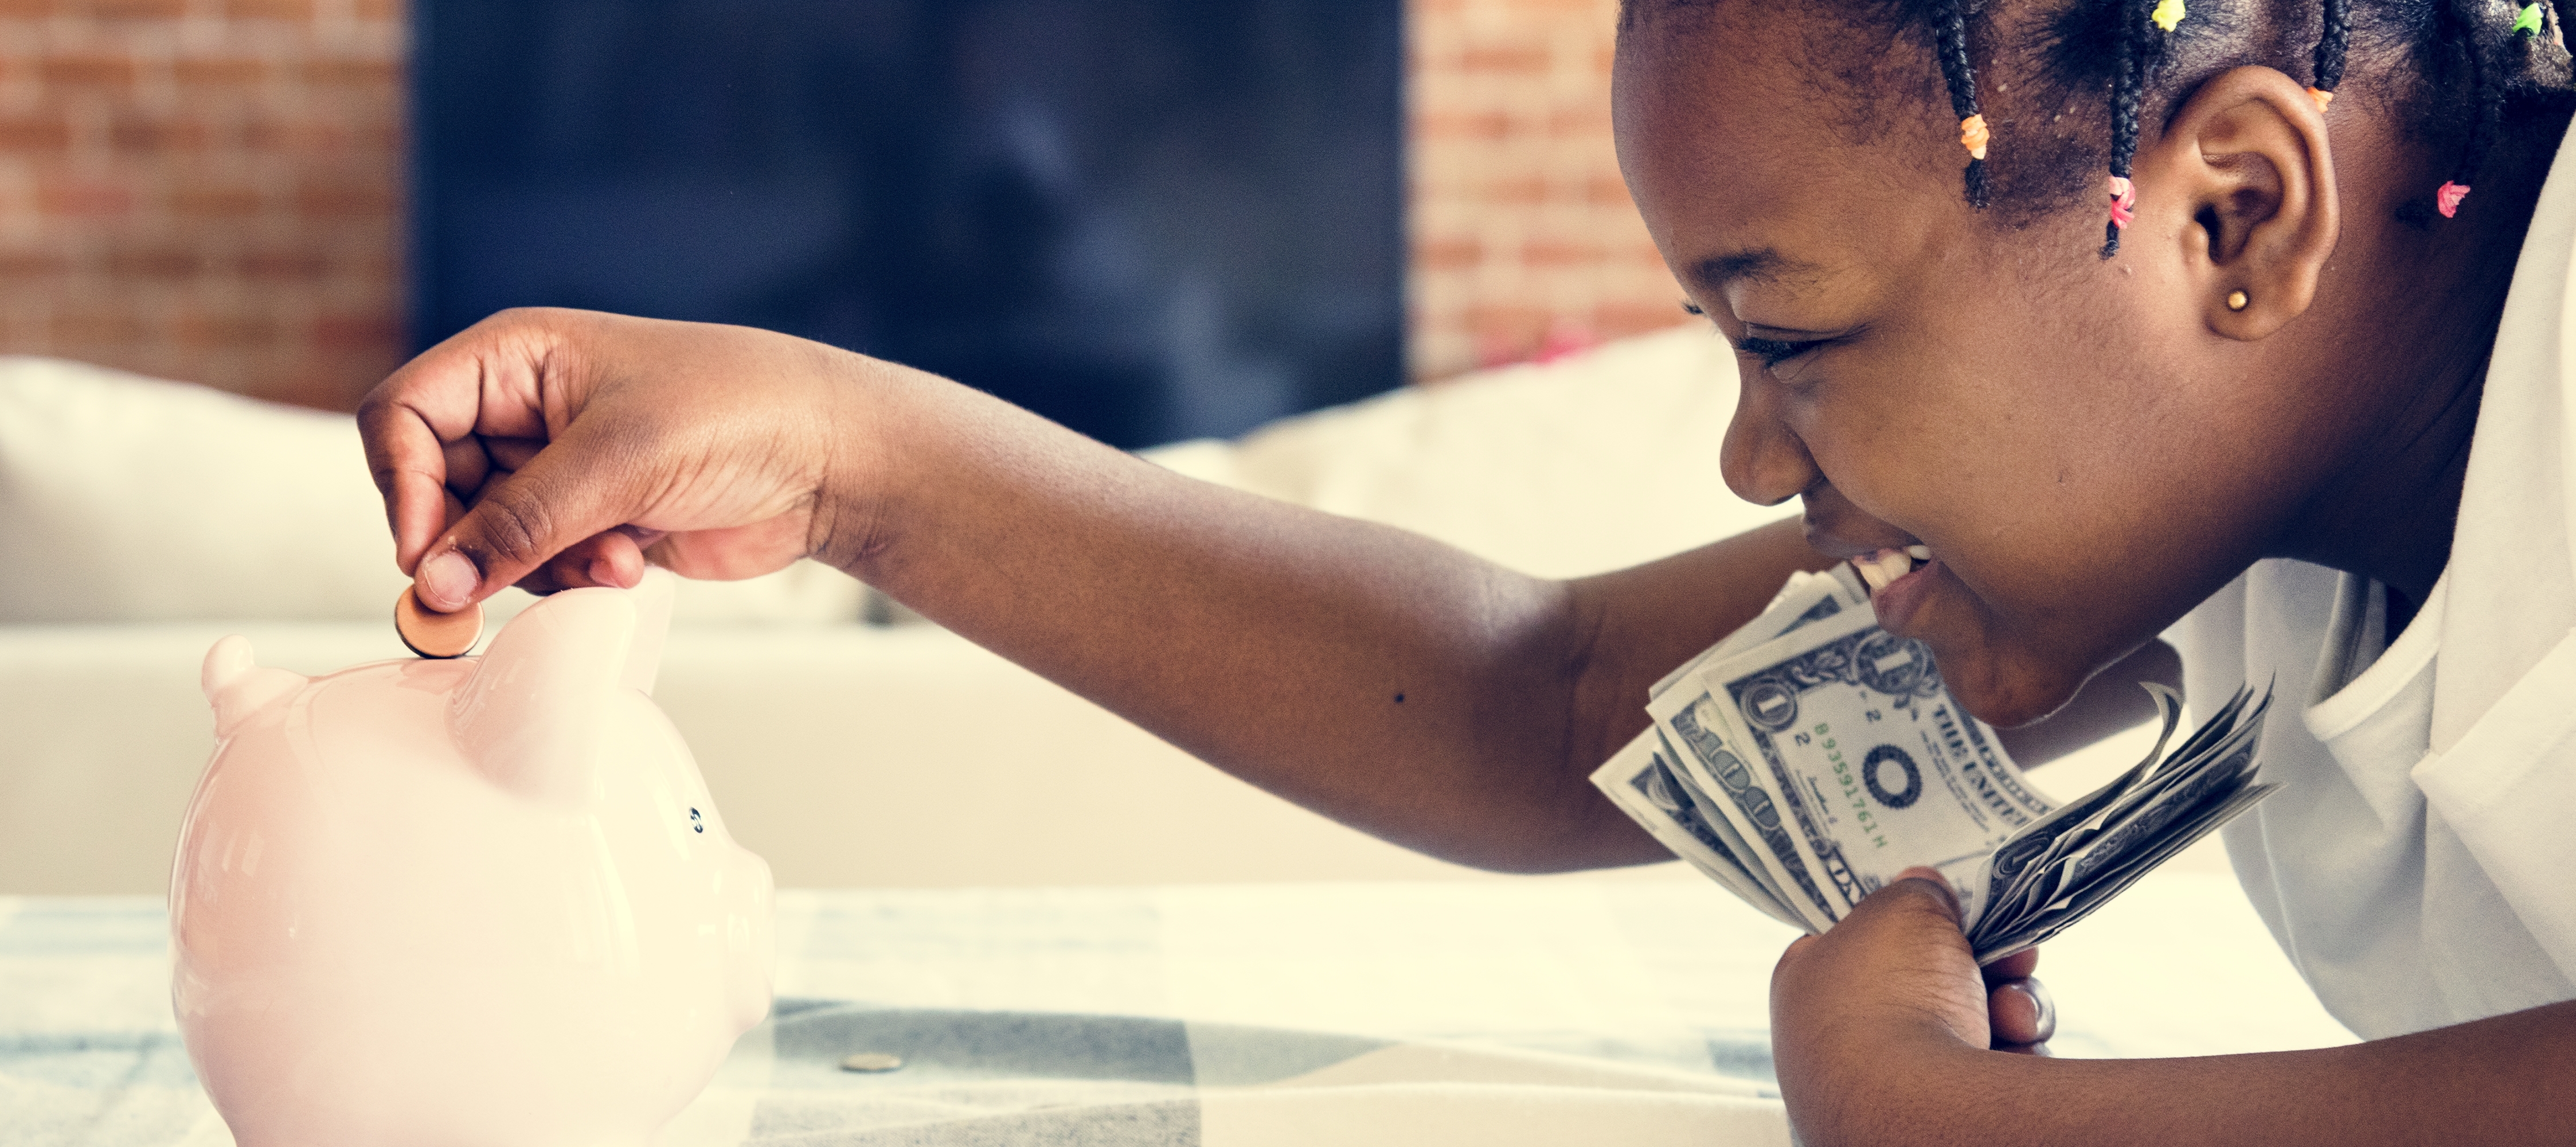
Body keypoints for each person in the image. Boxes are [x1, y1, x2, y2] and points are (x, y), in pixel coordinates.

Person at [357, 0, 2576, 1140]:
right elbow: (1543, 705)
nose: (1738, 440)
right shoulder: (2224, 485)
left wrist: (1932, 1114)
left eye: (1787, 335)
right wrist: (844, 455)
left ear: (2229, 219)